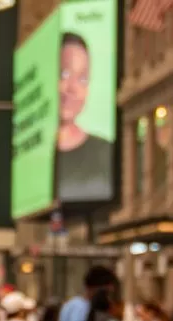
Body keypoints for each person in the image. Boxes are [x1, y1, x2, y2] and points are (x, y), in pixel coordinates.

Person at [56, 32, 113, 202]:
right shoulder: (30, 154)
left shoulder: (105, 152)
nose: (72, 88)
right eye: (64, 74)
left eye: (82, 78)